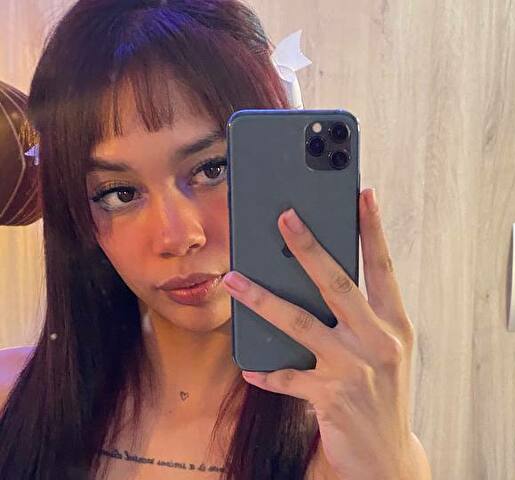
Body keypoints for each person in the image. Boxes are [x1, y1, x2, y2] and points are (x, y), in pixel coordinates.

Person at [0, 0, 431, 479]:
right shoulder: (10, 403)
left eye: (212, 169)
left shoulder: (340, 450)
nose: (178, 236)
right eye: (119, 193)